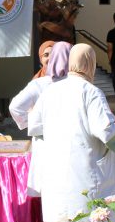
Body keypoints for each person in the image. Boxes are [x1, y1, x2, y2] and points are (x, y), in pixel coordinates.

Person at [29, 44, 115, 222]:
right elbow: (105, 130)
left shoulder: (50, 91)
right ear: (91, 64)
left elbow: (34, 125)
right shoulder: (91, 92)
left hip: (57, 171)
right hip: (86, 171)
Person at [10, 41, 72, 197]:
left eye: (54, 54)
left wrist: (35, 125)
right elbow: (15, 107)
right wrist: (38, 125)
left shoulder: (41, 84)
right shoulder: (38, 83)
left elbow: (15, 108)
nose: (50, 58)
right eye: (46, 55)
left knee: (51, 187)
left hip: (50, 141)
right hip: (64, 141)